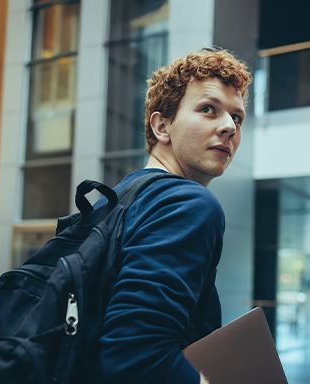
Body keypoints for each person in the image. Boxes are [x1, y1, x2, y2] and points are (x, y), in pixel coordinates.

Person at [95, 47, 251, 384]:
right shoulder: (190, 204)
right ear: (162, 126)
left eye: (236, 117)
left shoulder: (119, 198)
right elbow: (134, 359)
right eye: (208, 109)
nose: (229, 127)